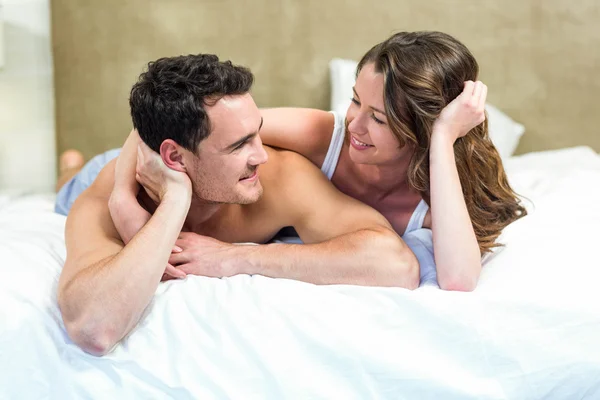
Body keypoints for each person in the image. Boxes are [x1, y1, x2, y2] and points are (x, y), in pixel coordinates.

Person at [106, 31, 527, 292]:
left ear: (423, 127)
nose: (354, 124)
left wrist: (442, 140)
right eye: (354, 101)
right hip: (146, 167)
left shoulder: (438, 192)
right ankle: (73, 171)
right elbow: (176, 121)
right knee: (84, 180)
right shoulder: (322, 134)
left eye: (378, 118)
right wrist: (123, 202)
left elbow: (458, 280)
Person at [57, 54, 419, 356]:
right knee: (68, 188)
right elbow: (93, 329)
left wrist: (234, 257)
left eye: (258, 134)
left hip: (171, 155)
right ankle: (69, 167)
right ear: (175, 157)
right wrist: (175, 201)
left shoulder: (280, 175)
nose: (261, 155)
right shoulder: (112, 198)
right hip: (103, 172)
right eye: (239, 145)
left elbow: (396, 264)